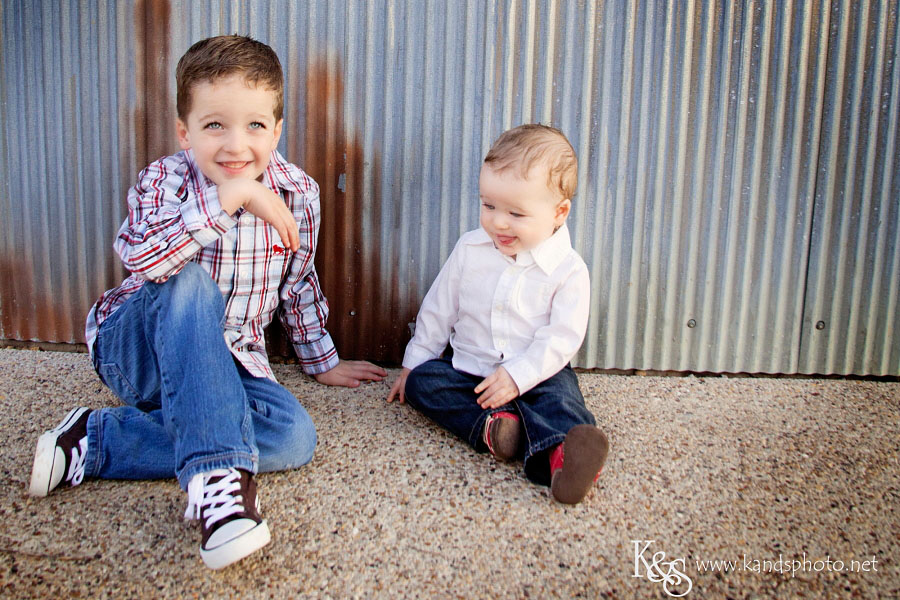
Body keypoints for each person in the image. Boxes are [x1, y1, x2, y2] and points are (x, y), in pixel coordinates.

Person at [28, 35, 386, 569]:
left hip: (228, 360)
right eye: (214, 124)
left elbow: (298, 279)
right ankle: (220, 491)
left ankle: (96, 440)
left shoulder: (299, 194)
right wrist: (231, 198)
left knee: (292, 436)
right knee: (189, 281)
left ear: (277, 129)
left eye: (255, 126)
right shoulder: (164, 181)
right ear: (185, 131)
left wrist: (322, 361)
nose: (236, 145)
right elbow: (146, 263)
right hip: (137, 353)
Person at [387, 124, 608, 504]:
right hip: (470, 371)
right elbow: (440, 309)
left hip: (539, 372)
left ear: (559, 212)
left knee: (561, 401)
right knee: (425, 383)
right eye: (488, 205)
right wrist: (414, 363)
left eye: (516, 213)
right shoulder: (470, 249)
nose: (498, 222)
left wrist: (519, 376)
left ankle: (564, 456)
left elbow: (561, 339)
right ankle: (497, 429)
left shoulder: (569, 270)